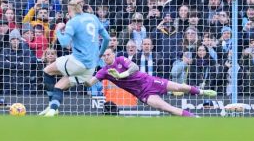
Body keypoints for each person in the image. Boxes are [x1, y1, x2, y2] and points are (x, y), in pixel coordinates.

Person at [86, 48, 217, 117]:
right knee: (167, 108)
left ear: (113, 54)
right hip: (143, 94)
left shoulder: (120, 59)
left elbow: (135, 67)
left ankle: (202, 91)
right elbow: (90, 83)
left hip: (149, 81)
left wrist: (121, 75)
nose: (106, 57)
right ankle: (196, 119)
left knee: (178, 87)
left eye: (108, 54)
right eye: (104, 55)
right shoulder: (104, 71)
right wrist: (79, 76)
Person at [39, 0, 110, 116]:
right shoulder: (93, 18)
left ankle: (51, 106)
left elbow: (64, 43)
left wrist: (58, 31)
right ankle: (52, 109)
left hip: (77, 61)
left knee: (47, 71)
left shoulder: (73, 22)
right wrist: (100, 54)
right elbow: (107, 38)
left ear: (69, 10)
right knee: (59, 86)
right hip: (90, 67)